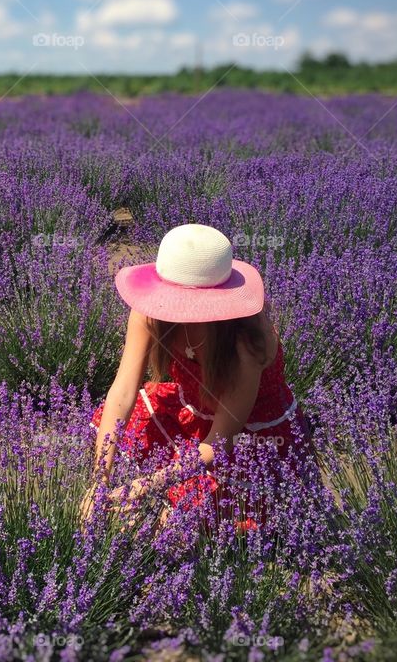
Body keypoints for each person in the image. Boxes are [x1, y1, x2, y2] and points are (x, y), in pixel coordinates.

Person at [81, 224, 314, 530]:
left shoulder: (245, 344)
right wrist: (101, 479)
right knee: (112, 423)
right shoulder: (151, 311)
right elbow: (123, 391)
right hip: (193, 409)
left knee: (196, 513)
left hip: (247, 435)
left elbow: (219, 443)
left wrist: (146, 485)